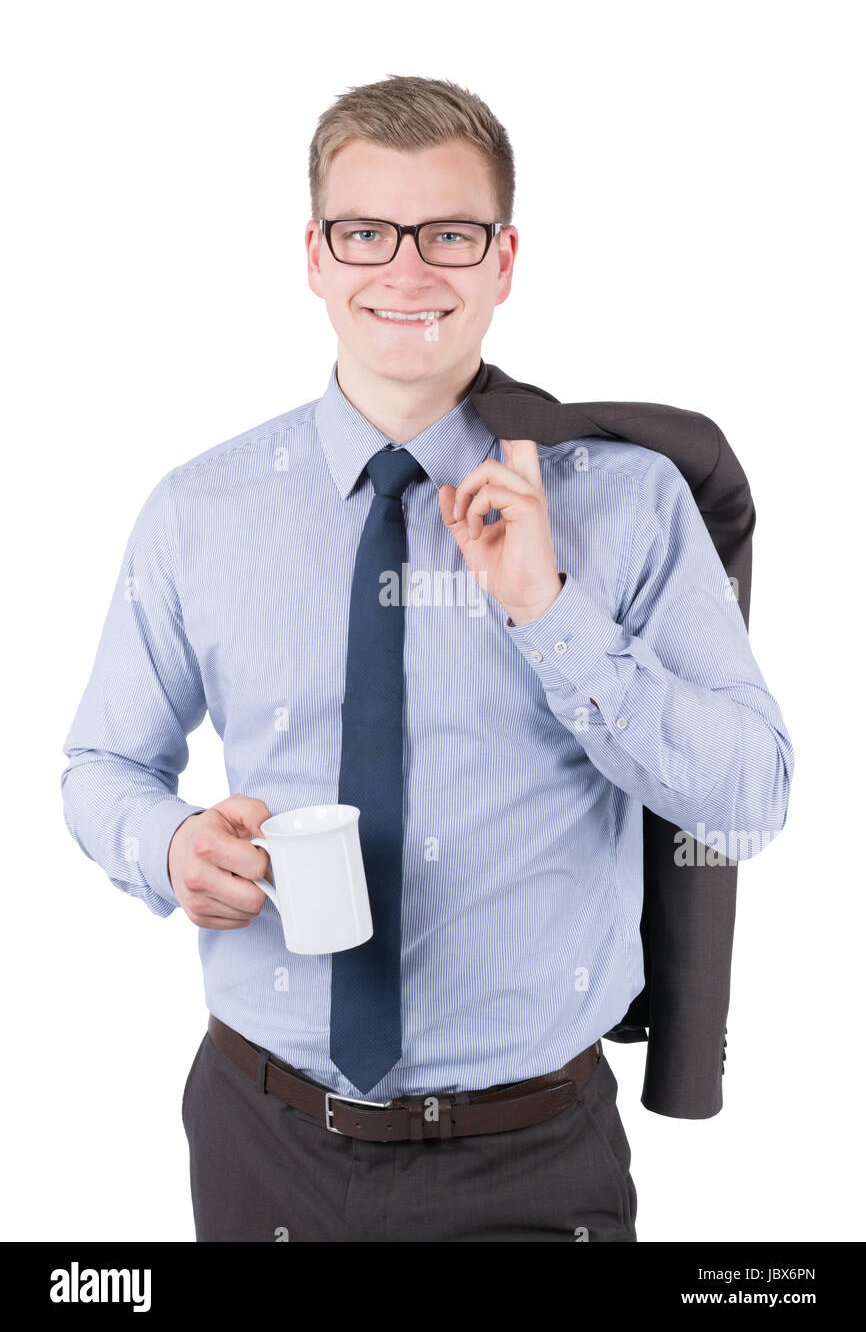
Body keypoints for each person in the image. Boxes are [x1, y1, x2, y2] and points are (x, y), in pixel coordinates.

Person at [61, 74, 794, 1242]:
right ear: (314, 253)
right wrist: (169, 845)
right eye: (366, 231)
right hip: (259, 1140)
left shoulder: (628, 506)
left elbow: (748, 799)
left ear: (503, 260)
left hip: (527, 1163)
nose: (406, 271)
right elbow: (100, 761)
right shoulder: (199, 511)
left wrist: (548, 608)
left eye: (449, 233)